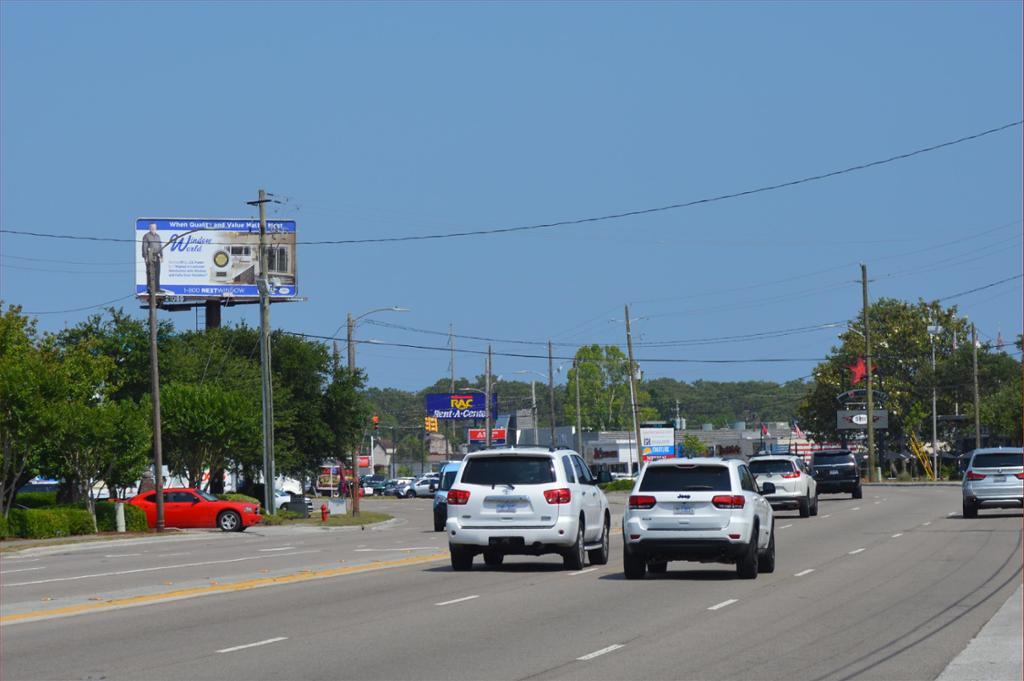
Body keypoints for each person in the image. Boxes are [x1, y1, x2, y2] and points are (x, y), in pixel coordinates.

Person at [141, 222, 163, 294]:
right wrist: (145, 257)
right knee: (150, 273)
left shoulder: (158, 236)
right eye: (152, 228)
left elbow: (160, 246)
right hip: (150, 256)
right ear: (149, 228)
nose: (153, 229)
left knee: (157, 273)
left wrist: (161, 255)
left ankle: (157, 289)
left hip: (157, 256)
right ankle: (149, 288)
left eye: (154, 228)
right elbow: (144, 247)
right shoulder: (146, 236)